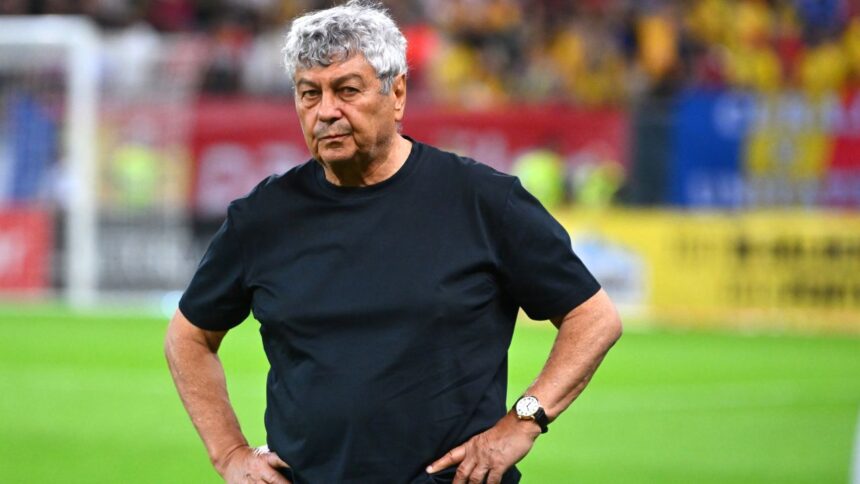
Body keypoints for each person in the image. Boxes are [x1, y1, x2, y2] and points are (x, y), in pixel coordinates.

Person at [164, 2, 622, 483]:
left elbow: (592, 317)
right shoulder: (261, 218)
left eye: (347, 90)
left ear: (397, 93)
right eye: (309, 93)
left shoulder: (482, 201)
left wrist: (525, 419)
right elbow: (189, 336)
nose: (326, 111)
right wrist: (229, 453)